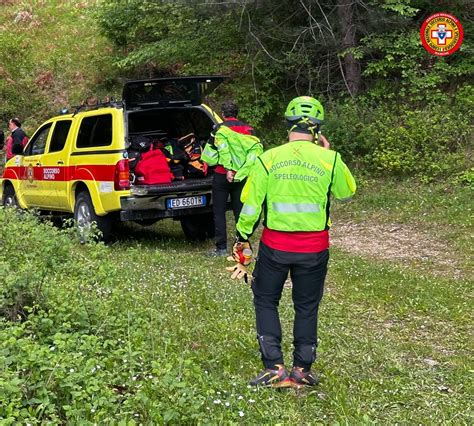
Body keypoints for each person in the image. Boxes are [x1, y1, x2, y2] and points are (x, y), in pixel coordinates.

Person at [228, 96, 356, 388]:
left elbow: (251, 205)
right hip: (314, 249)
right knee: (307, 306)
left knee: (265, 299)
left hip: (275, 247)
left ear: (287, 125)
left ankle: (273, 366)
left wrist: (242, 238)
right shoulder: (329, 159)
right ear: (317, 129)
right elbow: (347, 191)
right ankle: (302, 370)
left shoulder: (269, 158)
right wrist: (330, 154)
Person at [202, 101, 263, 256]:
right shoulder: (249, 130)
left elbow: (216, 152)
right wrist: (242, 171)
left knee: (219, 212)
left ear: (223, 115)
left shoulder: (219, 129)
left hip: (222, 175)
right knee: (240, 211)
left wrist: (228, 168)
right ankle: (241, 245)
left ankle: (221, 248)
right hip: (242, 176)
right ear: (237, 113)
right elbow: (253, 154)